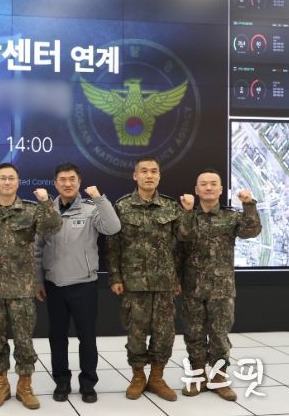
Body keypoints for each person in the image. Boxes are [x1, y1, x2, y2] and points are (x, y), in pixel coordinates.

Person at [0, 162, 62, 410]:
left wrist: (46, 202)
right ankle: (1, 384)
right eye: (2, 178)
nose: (7, 182)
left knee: (24, 341)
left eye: (11, 178)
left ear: (18, 182)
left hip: (22, 289)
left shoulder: (31, 210)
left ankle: (25, 386)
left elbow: (53, 227)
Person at [35, 162, 121, 403]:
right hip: (54, 285)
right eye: (62, 179)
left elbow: (113, 228)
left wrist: (99, 198)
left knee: (87, 337)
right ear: (55, 183)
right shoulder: (46, 210)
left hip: (84, 285)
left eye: (72, 179)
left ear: (79, 182)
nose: (67, 183)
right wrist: (38, 281)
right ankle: (61, 382)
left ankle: (88, 383)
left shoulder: (91, 209)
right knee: (57, 338)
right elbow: (37, 249)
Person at [178, 169, 261, 401]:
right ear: (196, 190)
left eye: (213, 183)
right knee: (193, 334)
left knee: (219, 335)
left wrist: (249, 205)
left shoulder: (230, 216)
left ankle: (218, 378)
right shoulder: (187, 215)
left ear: (221, 189)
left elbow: (251, 231)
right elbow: (182, 237)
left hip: (221, 288)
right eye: (203, 184)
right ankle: (197, 376)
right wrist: (187, 211)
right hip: (192, 287)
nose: (208, 187)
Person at [106, 157, 182, 402]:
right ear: (135, 175)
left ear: (159, 176)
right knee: (136, 333)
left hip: (165, 283)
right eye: (144, 171)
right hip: (134, 282)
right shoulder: (122, 206)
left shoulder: (171, 207)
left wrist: (178, 278)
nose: (149, 176)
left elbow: (181, 246)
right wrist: (115, 277)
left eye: (154, 171)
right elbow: (113, 246)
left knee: (165, 333)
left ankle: (157, 377)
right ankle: (138, 376)